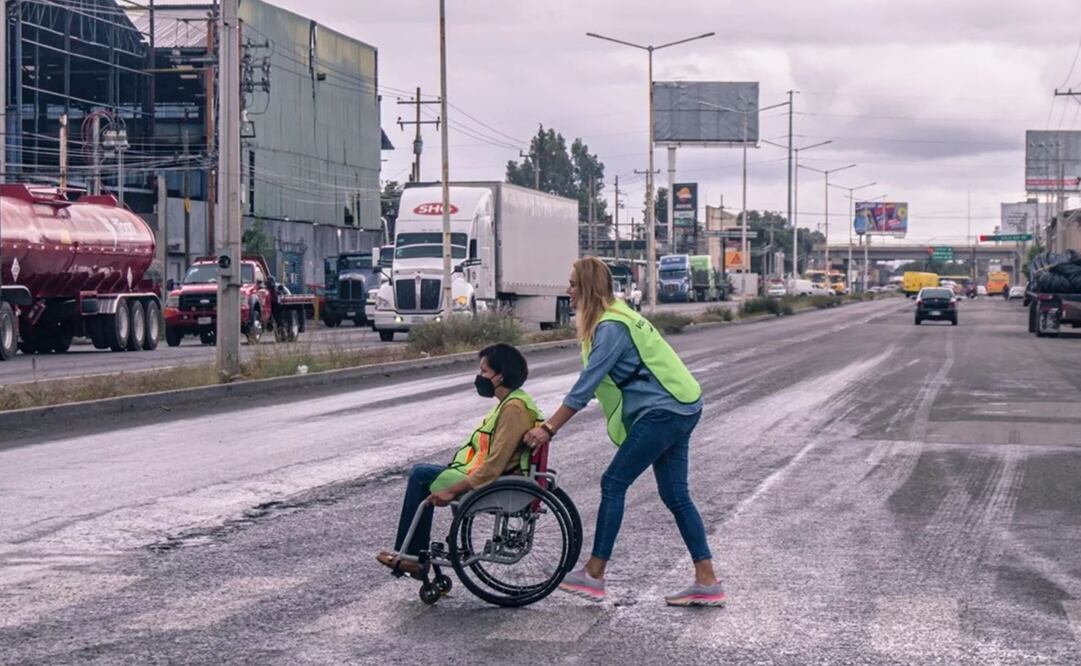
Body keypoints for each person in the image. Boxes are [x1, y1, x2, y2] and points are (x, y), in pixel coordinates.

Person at [523, 257, 724, 607]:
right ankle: (707, 581)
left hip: (665, 410)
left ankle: (595, 574)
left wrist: (549, 428)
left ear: (586, 287)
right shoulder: (618, 316)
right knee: (676, 495)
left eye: (572, 284)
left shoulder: (612, 327)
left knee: (614, 482)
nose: (567, 290)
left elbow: (585, 387)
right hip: (683, 403)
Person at [377, 343, 543, 577]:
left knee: (420, 475)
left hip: (496, 483)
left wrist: (452, 490)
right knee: (426, 472)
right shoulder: (514, 401)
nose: (480, 377)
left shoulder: (513, 409)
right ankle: (415, 554)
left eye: (484, 372)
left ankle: (413, 556)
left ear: (500, 375)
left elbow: (494, 465)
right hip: (494, 476)